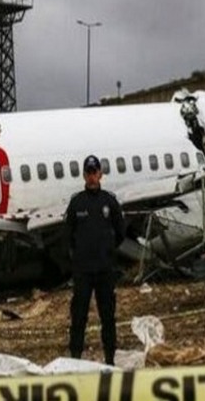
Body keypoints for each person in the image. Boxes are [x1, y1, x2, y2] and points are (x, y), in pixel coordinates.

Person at [65, 154, 125, 365]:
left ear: (100, 174)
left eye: (95, 172)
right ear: (84, 175)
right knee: (79, 317)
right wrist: (79, 255)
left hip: (104, 269)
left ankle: (109, 358)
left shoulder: (109, 201)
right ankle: (75, 358)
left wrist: (107, 250)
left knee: (108, 317)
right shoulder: (76, 203)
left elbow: (120, 232)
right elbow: (68, 235)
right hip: (83, 271)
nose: (92, 177)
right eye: (88, 173)